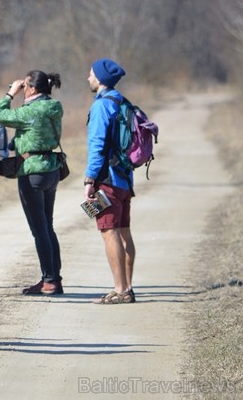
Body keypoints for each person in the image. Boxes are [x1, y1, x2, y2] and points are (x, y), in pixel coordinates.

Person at [0, 70, 65, 295]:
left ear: (31, 89)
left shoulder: (29, 111)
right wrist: (16, 142)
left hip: (32, 173)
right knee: (48, 227)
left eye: (25, 87)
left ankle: (49, 280)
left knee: (39, 230)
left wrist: (10, 94)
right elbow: (33, 131)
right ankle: (54, 278)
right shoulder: (54, 107)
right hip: (51, 170)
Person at [84, 58, 137, 305]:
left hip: (107, 179)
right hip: (125, 179)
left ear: (101, 78)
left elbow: (97, 145)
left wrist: (90, 178)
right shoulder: (121, 101)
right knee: (124, 232)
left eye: (91, 74)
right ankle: (127, 286)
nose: (88, 78)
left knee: (109, 231)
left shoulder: (101, 106)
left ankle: (120, 290)